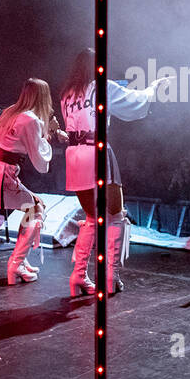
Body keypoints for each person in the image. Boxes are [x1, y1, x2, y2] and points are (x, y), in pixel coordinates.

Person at [59, 48, 168, 296]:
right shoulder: (102, 87)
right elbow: (135, 102)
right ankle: (110, 275)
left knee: (90, 218)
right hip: (95, 151)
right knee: (116, 215)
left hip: (74, 155)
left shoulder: (66, 95)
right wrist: (153, 88)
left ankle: (77, 275)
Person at [0, 78, 65, 285]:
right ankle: (16, 263)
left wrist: (51, 131)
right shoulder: (30, 119)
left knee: (34, 206)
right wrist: (49, 132)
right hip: (1, 174)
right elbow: (41, 164)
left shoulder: (10, 111)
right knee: (36, 209)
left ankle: (20, 260)